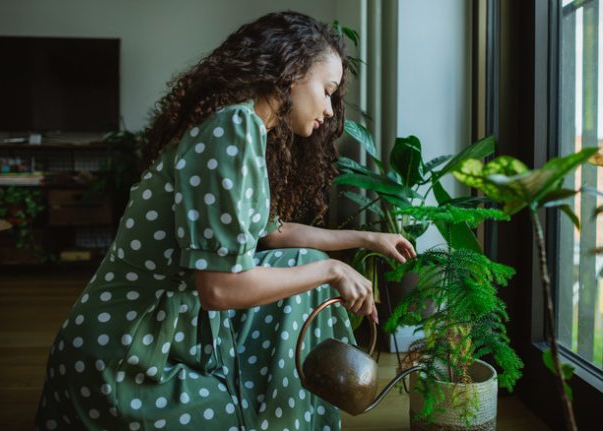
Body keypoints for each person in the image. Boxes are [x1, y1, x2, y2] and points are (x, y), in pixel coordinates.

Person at [35, 11, 415, 431]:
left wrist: (364, 239)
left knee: (297, 260)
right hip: (122, 355)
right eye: (326, 90)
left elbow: (273, 233)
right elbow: (219, 288)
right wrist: (330, 270)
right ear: (289, 71)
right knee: (247, 412)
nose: (329, 108)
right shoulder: (232, 126)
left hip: (146, 339)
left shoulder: (242, 129)